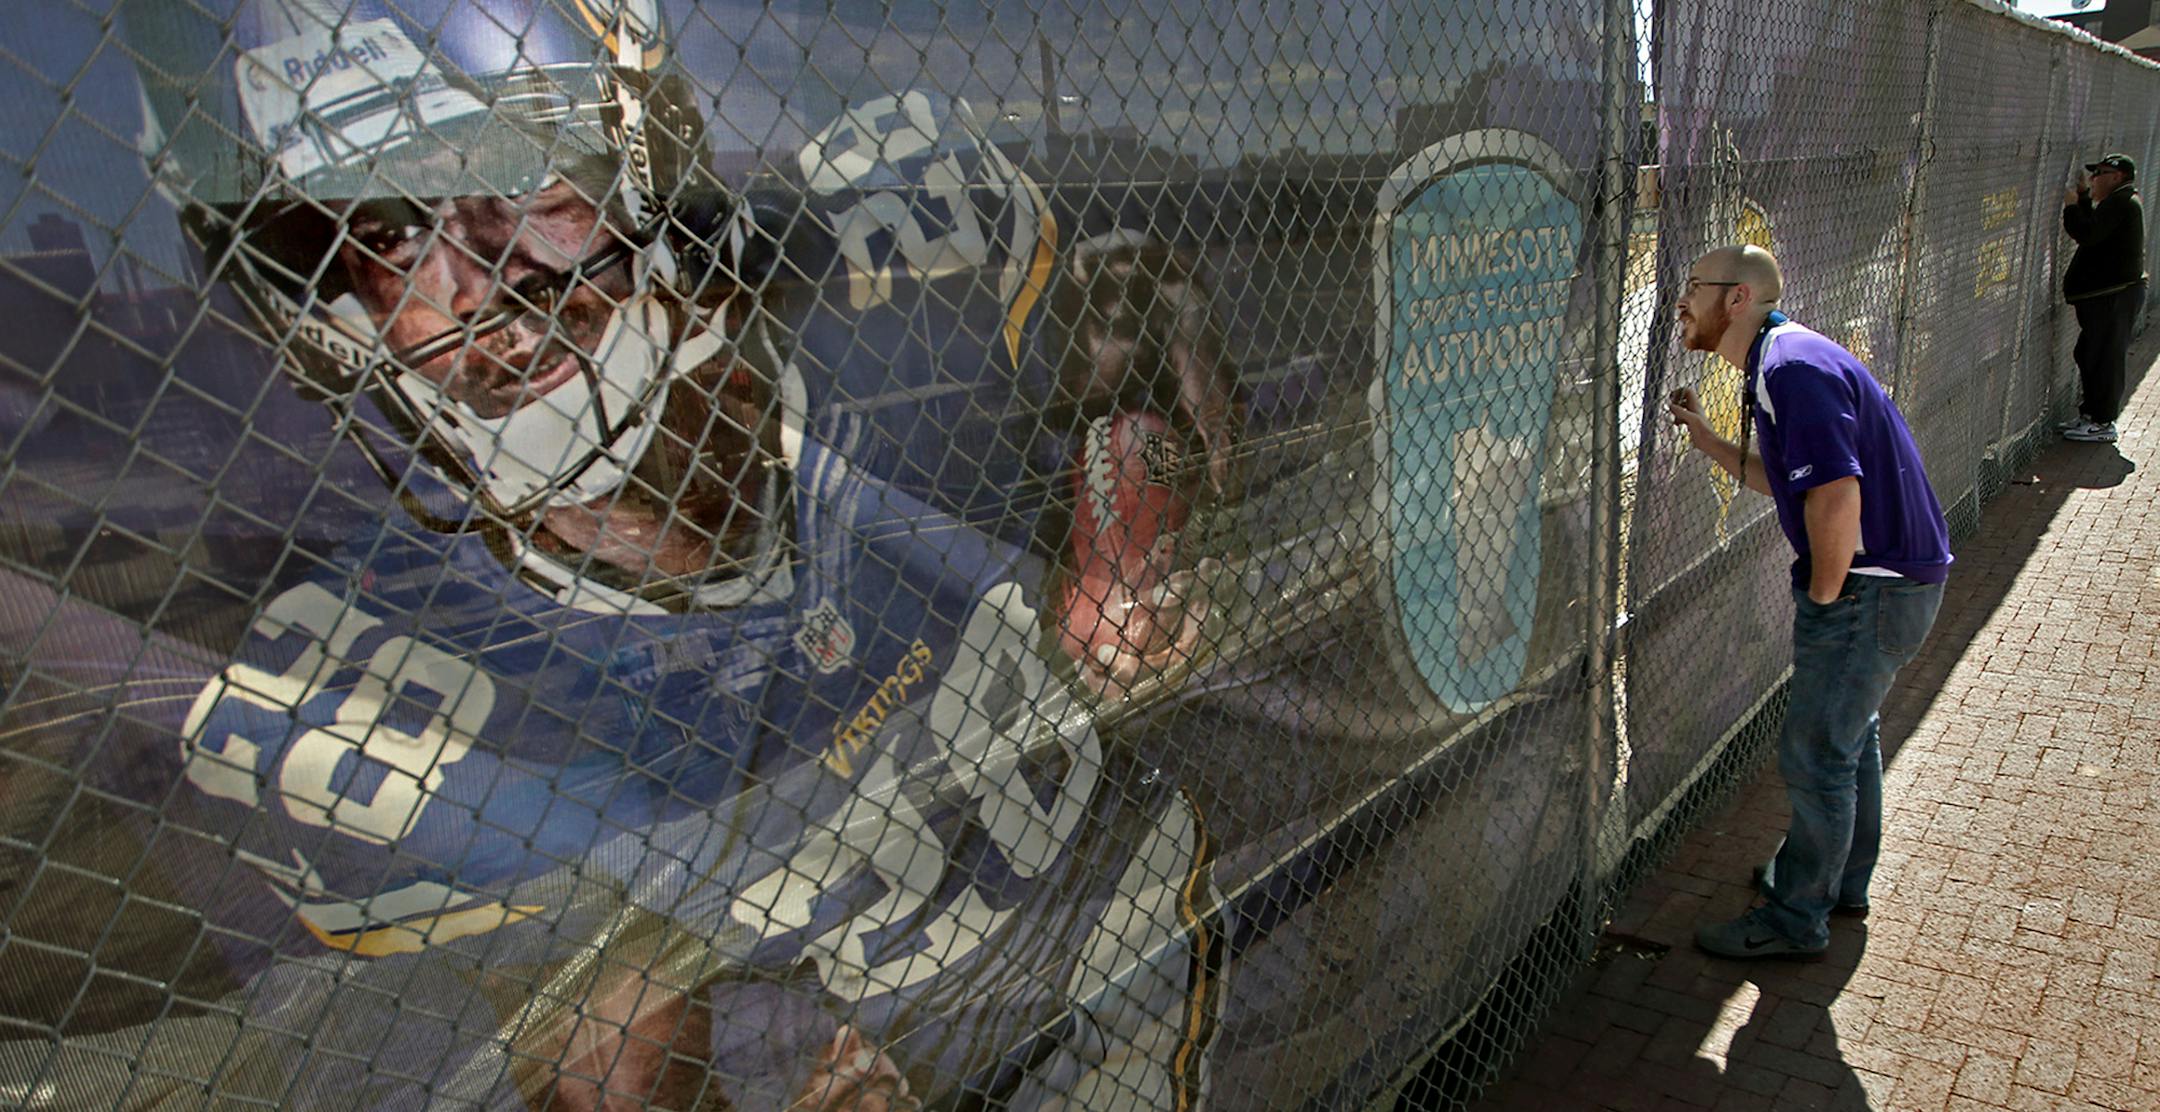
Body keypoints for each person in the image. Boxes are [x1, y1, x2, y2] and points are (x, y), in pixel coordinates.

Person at [5, 1, 1234, 1107]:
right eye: (378, 232)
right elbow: (606, 1049)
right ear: (322, 318)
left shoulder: (879, 286)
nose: (479, 275)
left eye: (519, 174)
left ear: (645, 160)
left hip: (1241, 942)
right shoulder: (419, 676)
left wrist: (1124, 474)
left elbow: (1130, 304)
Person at [1666, 245, 1952, 961]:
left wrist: (1827, 595)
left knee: (1817, 752)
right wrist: (1708, 441)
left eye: (1693, 288)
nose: (1680, 301)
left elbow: (1834, 494)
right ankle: (1838, 883)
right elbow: (1798, 481)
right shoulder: (1784, 359)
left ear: (1737, 299)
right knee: (1849, 741)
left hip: (1870, 589)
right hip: (1894, 584)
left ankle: (1797, 918)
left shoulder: (1790, 368)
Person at [2060, 152, 2146, 444]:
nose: (2094, 179)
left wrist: (2072, 208)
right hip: (2108, 297)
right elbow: (2097, 226)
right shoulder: (2118, 201)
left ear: (2117, 177)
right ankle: (2091, 415)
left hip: (2115, 297)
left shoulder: (2123, 202)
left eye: (2100, 174)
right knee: (2089, 354)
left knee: (2105, 358)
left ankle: (2102, 422)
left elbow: (2089, 232)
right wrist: (2084, 199)